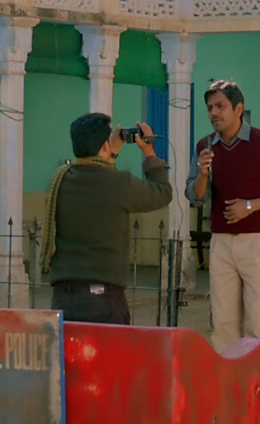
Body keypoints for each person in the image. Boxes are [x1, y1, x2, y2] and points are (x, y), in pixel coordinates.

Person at [186, 80, 260, 372]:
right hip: (222, 243)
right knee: (222, 321)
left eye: (220, 106)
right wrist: (202, 173)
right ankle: (227, 388)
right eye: (210, 108)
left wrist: (249, 206)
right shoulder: (205, 146)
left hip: (259, 242)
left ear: (239, 109)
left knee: (259, 321)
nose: (214, 113)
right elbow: (196, 197)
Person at [41, 113, 173, 324]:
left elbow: (98, 170)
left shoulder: (61, 179)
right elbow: (162, 193)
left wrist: (110, 153)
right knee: (111, 347)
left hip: (64, 296)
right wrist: (149, 151)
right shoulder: (120, 183)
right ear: (104, 145)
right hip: (104, 299)